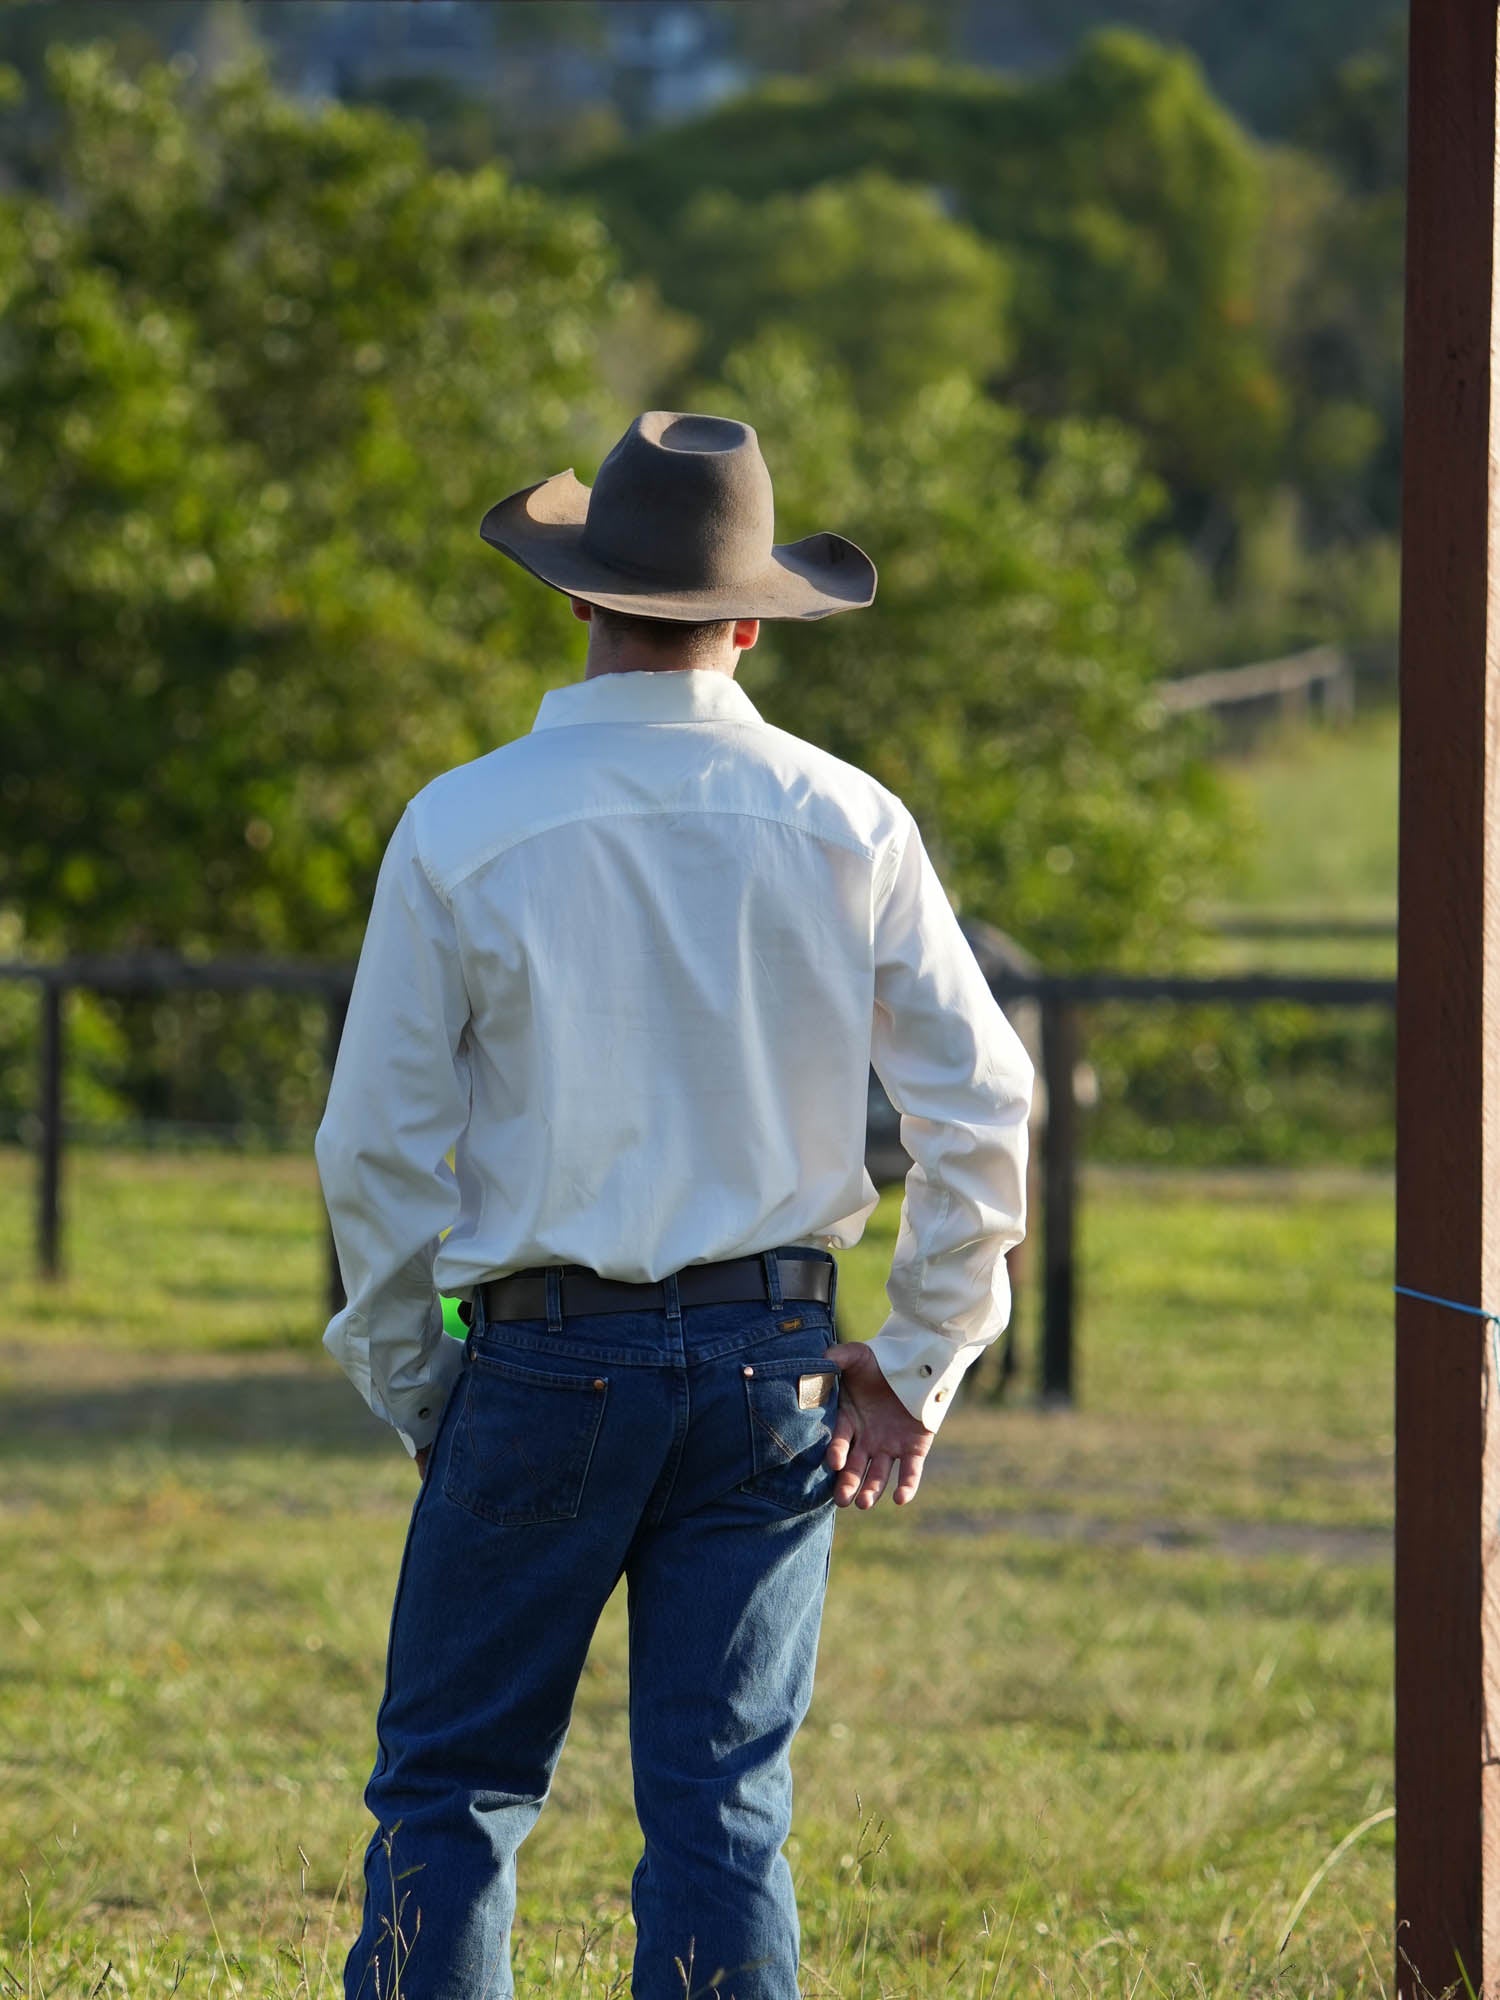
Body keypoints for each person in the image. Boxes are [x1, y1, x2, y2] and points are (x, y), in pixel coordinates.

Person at [317, 410, 1033, 2000]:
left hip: (538, 1358)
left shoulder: (461, 824)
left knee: (454, 1791)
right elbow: (981, 1106)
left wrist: (413, 1372)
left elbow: (376, 1148)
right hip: (775, 1362)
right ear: (753, 618)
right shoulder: (852, 820)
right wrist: (917, 1363)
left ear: (578, 598)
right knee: (723, 1815)